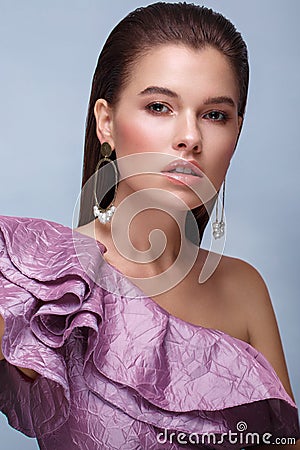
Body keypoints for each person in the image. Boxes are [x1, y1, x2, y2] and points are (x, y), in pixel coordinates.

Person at [0, 2, 299, 449]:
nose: (191, 137)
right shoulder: (40, 278)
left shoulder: (245, 289)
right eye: (160, 106)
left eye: (215, 114)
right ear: (107, 122)